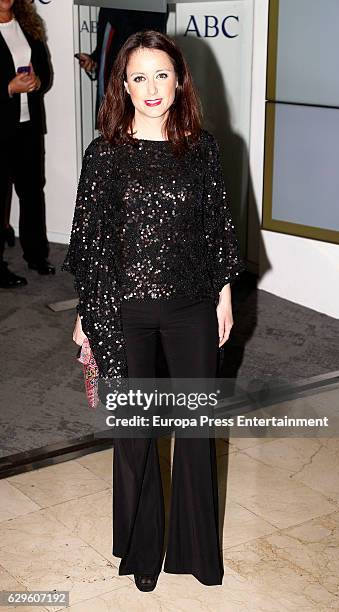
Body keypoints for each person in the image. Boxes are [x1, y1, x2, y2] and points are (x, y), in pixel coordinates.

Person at [62, 30, 246, 591]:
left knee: (194, 429)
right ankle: (142, 553)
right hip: (123, 313)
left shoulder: (203, 148)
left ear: (178, 79)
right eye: (138, 75)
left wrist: (224, 295)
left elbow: (217, 229)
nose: (151, 87)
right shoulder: (104, 155)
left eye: (161, 74)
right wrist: (84, 317)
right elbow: (89, 242)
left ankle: (195, 553)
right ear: (122, 83)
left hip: (192, 305)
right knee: (135, 435)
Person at [0, 0, 54, 289]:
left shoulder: (28, 25)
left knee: (33, 191)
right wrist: (8, 88)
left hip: (29, 126)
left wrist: (36, 82)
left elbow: (45, 71)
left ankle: (36, 255)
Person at [77, 7, 167, 124]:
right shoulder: (106, 7)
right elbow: (105, 47)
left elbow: (144, 44)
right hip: (107, 96)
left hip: (133, 101)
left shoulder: (149, 6)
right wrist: (94, 62)